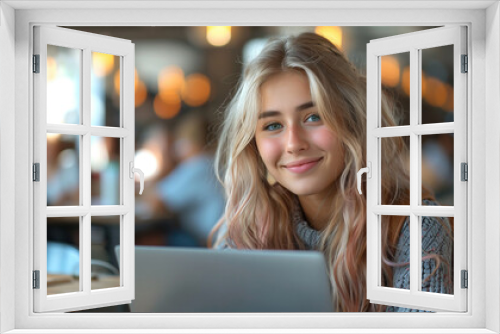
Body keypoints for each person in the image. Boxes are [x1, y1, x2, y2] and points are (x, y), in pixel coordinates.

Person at [208, 32, 453, 312]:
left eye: (314, 117)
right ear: (253, 143)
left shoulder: (416, 227)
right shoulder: (245, 227)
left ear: (353, 121)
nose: (293, 144)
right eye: (273, 125)